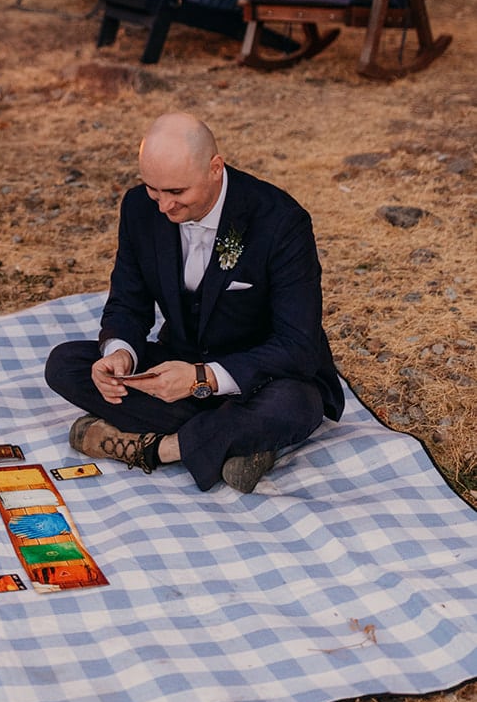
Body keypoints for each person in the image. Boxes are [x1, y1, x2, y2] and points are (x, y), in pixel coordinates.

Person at [45, 113, 343, 492]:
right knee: (65, 365)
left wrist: (203, 378)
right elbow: (127, 304)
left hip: (264, 379)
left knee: (297, 405)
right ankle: (239, 442)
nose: (163, 207)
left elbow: (298, 346)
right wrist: (120, 354)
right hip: (180, 361)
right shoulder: (139, 208)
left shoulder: (280, 221)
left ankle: (161, 448)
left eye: (176, 193)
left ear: (215, 169)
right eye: (153, 189)